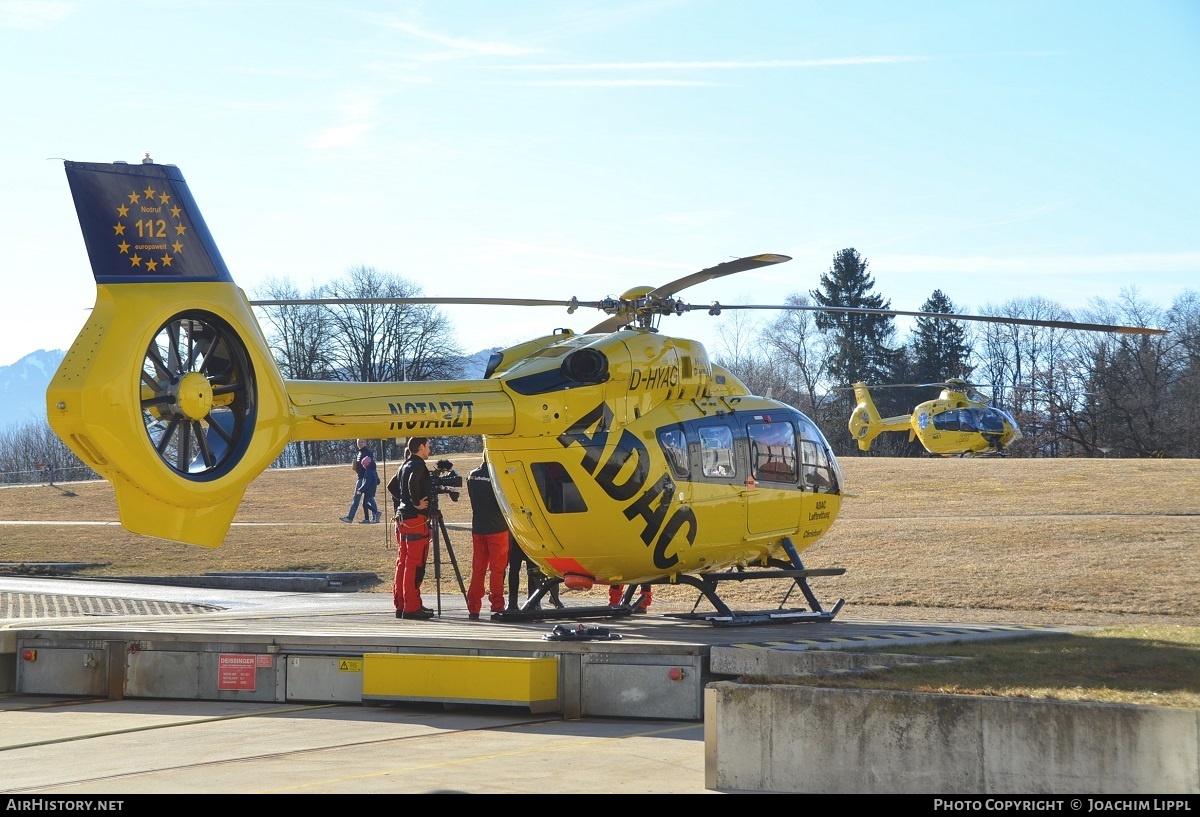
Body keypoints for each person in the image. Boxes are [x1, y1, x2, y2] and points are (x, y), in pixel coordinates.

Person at [388, 437, 434, 620]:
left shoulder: (404, 465)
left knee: (403, 563)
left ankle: (401, 604)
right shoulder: (418, 465)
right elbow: (413, 483)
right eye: (428, 446)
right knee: (414, 564)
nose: (430, 449)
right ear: (421, 447)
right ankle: (412, 606)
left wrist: (405, 502)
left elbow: (392, 486)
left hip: (402, 519)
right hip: (416, 521)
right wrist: (416, 503)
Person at [464, 459, 509, 621]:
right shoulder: (498, 477)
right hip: (497, 528)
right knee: (497, 570)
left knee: (478, 570)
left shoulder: (471, 476)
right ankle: (497, 607)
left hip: (478, 527)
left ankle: (473, 607)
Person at [507, 534, 563, 611]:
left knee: (533, 571)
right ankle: (512, 603)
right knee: (514, 569)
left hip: (533, 540)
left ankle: (533, 601)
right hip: (517, 538)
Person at [340, 439, 381, 523]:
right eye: (359, 442)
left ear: (365, 443)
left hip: (364, 478)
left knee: (358, 498)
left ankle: (350, 517)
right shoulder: (360, 453)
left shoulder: (367, 453)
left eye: (362, 442)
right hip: (361, 477)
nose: (360, 443)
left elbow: (372, 466)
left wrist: (375, 477)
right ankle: (375, 515)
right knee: (369, 499)